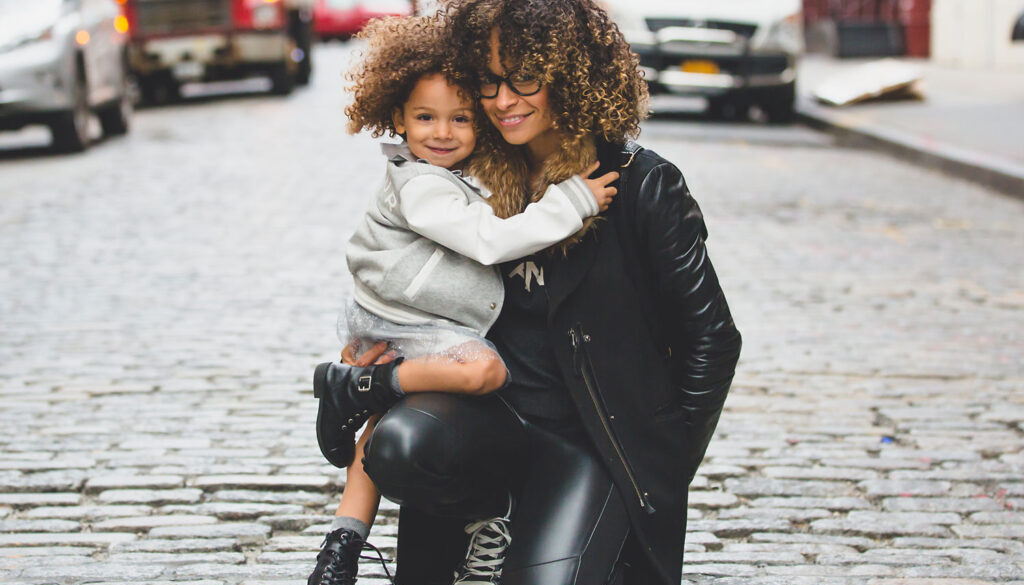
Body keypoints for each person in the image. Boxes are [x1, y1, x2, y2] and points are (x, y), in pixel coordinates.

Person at [349, 0, 744, 584]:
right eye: (490, 81)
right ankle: (486, 515)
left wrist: (657, 466)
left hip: (592, 444)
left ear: (569, 72)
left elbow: (712, 338)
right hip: (488, 425)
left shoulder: (641, 186)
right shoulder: (467, 179)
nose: (504, 100)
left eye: (525, 78)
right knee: (399, 445)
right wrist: (372, 358)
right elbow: (405, 282)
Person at [307, 14, 620, 585]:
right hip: (414, 320)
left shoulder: (457, 173)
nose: (443, 132)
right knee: (483, 370)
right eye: (426, 118)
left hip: (406, 317)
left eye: (461, 119)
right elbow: (488, 239)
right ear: (396, 117)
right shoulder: (421, 183)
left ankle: (343, 541)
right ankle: (359, 389)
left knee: (381, 426)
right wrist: (573, 200)